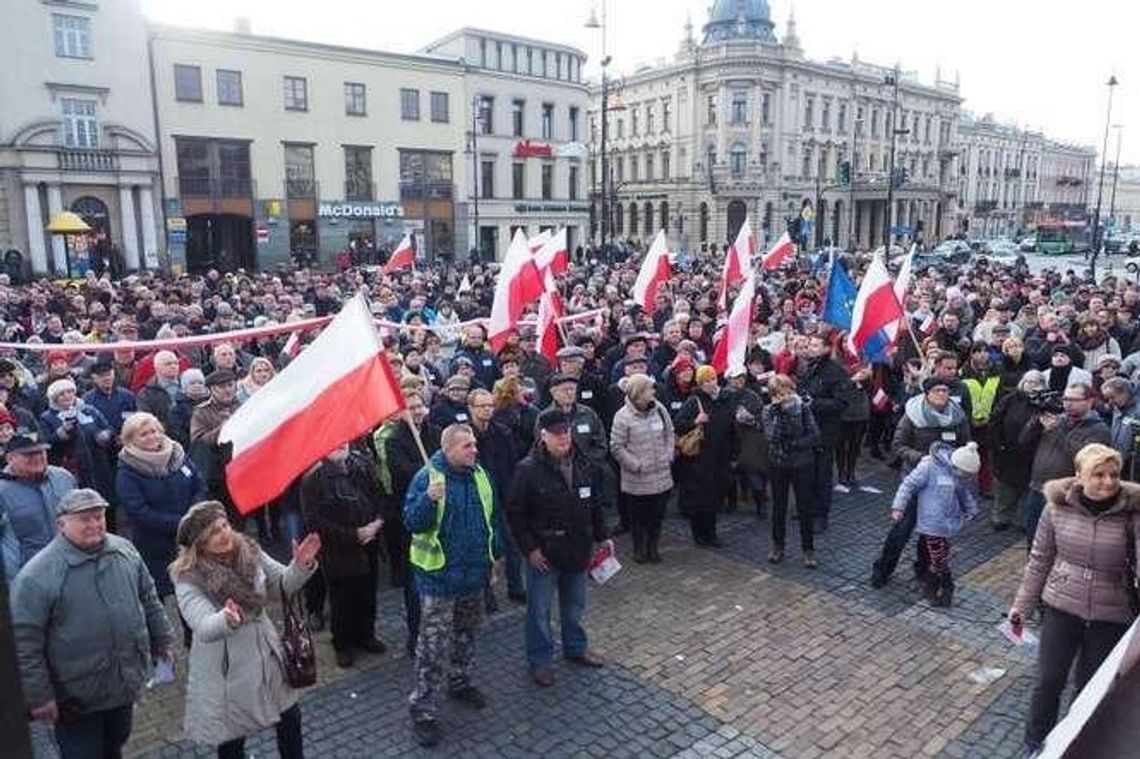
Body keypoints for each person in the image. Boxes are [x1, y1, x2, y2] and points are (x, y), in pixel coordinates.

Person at [12, 488, 172, 759]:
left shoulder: (125, 550)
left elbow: (149, 598)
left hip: (123, 684)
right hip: (75, 699)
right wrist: (39, 696)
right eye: (85, 519)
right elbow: (25, 643)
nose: (95, 524)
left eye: (99, 516)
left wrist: (163, 640)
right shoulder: (36, 576)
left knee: (116, 743)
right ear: (62, 524)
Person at [1008, 443, 1140, 754]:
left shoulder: (1133, 514)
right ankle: (1034, 740)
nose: (1109, 482)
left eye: (1114, 474)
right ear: (1079, 476)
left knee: (1090, 686)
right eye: (1099, 474)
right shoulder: (1056, 508)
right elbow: (1039, 559)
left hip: (1111, 615)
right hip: (1062, 607)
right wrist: (1021, 607)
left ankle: (1074, 740)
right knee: (1048, 680)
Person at [171, 501, 321, 759]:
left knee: (290, 719)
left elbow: (282, 585)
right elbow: (202, 625)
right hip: (227, 667)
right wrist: (225, 619)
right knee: (231, 739)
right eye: (213, 533)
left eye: (224, 525)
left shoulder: (249, 551)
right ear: (200, 544)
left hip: (267, 654)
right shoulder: (188, 576)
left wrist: (301, 565)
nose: (224, 534)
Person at [404, 424, 503, 748]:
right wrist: (428, 501)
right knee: (432, 648)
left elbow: (492, 520)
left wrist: (495, 560)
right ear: (448, 450)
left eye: (474, 444)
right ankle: (423, 710)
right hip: (439, 582)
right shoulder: (428, 478)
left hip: (473, 577)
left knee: (467, 635)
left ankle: (460, 682)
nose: (474, 449)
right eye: (466, 446)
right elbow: (411, 522)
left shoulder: (480, 474)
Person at [507, 407, 608, 687]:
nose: (564, 438)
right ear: (543, 436)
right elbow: (514, 513)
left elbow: (595, 502)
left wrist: (602, 535)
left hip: (578, 547)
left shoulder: (584, 462)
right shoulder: (527, 470)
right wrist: (530, 549)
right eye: (557, 434)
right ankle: (540, 661)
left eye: (567, 432)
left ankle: (575, 648)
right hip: (545, 553)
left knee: (575, 604)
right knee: (539, 611)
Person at [870, 376, 971, 588]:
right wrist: (919, 457)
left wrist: (965, 457)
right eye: (938, 391)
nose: (943, 394)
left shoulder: (958, 417)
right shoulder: (912, 416)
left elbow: (964, 444)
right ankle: (883, 569)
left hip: (943, 485)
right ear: (927, 394)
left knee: (932, 531)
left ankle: (923, 568)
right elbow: (898, 445)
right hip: (917, 480)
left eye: (945, 390)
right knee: (901, 531)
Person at [300, 443, 385, 668]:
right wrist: (353, 535)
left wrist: (376, 524)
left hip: (369, 542)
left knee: (367, 592)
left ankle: (366, 634)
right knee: (343, 598)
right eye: (333, 441)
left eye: (343, 439)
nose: (341, 444)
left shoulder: (361, 465)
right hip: (339, 549)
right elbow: (315, 522)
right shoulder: (314, 479)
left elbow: (378, 496)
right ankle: (343, 644)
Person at [116, 412, 204, 611]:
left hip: (190, 540)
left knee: (194, 595)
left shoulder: (178, 455)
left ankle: (194, 639)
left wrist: (195, 514)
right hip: (154, 544)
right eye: (143, 434)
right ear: (130, 440)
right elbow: (138, 510)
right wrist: (181, 523)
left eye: (154, 431)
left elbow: (198, 484)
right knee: (157, 597)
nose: (151, 437)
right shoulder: (127, 471)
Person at [1020, 382, 1111, 548]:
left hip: (1067, 495)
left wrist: (1059, 431)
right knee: (1034, 541)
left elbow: (1087, 459)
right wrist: (1036, 423)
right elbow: (1023, 441)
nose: (1067, 403)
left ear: (1090, 401)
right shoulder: (1059, 418)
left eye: (1074, 399)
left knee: (1059, 545)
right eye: (1065, 398)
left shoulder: (1099, 429)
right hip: (1037, 489)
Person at [890, 442, 981, 606]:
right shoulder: (928, 467)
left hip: (948, 525)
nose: (966, 477)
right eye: (966, 473)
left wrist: (971, 510)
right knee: (939, 559)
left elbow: (963, 493)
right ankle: (938, 589)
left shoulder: (957, 474)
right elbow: (908, 485)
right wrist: (898, 507)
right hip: (931, 524)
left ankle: (939, 588)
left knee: (940, 557)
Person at [609, 373, 674, 563]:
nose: (653, 391)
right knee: (638, 518)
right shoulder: (622, 416)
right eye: (649, 389)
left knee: (657, 516)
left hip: (661, 475)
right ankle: (639, 548)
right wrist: (635, 465)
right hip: (637, 479)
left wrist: (668, 454)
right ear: (638, 393)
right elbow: (616, 446)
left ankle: (653, 547)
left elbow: (669, 432)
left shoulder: (659, 409)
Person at [0, 427, 76, 583]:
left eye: (41, 452)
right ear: (10, 458)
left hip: (72, 567)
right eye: (29, 454)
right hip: (30, 577)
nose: (37, 457)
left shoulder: (64, 477)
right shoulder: (2, 491)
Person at [762, 374, 820, 567]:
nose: (784, 396)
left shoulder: (802, 408)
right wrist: (780, 413)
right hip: (778, 463)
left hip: (802, 462)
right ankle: (778, 546)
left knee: (805, 507)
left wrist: (796, 444)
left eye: (786, 391)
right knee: (779, 506)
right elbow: (772, 436)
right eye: (779, 393)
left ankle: (808, 549)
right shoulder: (769, 411)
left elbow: (814, 435)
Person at [674, 365, 734, 546]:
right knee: (700, 498)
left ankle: (712, 533)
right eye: (706, 381)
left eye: (713, 379)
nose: (711, 383)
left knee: (715, 497)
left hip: (720, 457)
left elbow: (731, 428)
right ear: (700, 384)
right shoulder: (694, 401)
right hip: (699, 459)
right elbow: (678, 424)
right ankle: (699, 535)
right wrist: (695, 421)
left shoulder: (726, 398)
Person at [797, 333, 850, 531]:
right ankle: (807, 508)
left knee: (822, 474)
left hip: (825, 431)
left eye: (816, 344)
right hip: (806, 429)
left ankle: (821, 514)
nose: (811, 347)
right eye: (810, 343)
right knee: (807, 472)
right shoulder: (807, 366)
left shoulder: (835, 371)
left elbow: (841, 402)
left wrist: (815, 404)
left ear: (827, 348)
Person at [988, 371, 1046, 531]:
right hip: (1007, 451)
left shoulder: (1044, 402)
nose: (1032, 385)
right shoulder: (1009, 399)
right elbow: (995, 421)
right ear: (1022, 382)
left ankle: (1024, 521)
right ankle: (1001, 518)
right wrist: (997, 444)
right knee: (1004, 488)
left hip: (1032, 455)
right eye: (1029, 381)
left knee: (1028, 490)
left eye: (1036, 382)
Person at [189, 369, 242, 524]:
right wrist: (223, 428)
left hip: (239, 466)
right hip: (216, 473)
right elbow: (199, 440)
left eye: (231, 385)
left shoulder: (243, 406)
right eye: (222, 386)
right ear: (212, 389)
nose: (228, 390)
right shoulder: (201, 411)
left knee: (239, 518)